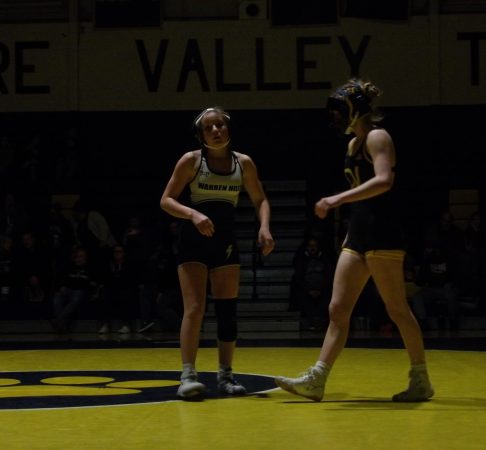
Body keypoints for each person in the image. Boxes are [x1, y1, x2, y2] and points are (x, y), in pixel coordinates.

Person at [275, 78, 434, 402]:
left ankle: (420, 378)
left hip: (384, 231)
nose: (334, 116)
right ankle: (317, 379)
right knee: (337, 309)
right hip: (359, 232)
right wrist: (348, 224)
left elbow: (384, 180)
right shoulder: (352, 144)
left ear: (355, 108)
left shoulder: (377, 136)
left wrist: (336, 200)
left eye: (338, 109)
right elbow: (363, 195)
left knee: (397, 308)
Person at [160, 106, 274, 399]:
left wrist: (265, 228)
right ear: (201, 135)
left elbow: (260, 199)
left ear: (228, 129)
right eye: (209, 127)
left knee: (227, 311)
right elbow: (166, 200)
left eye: (220, 125)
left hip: (225, 240)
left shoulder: (244, 163)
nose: (215, 131)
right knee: (195, 308)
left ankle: (225, 375)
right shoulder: (191, 161)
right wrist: (193, 215)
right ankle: (188, 376)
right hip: (194, 240)